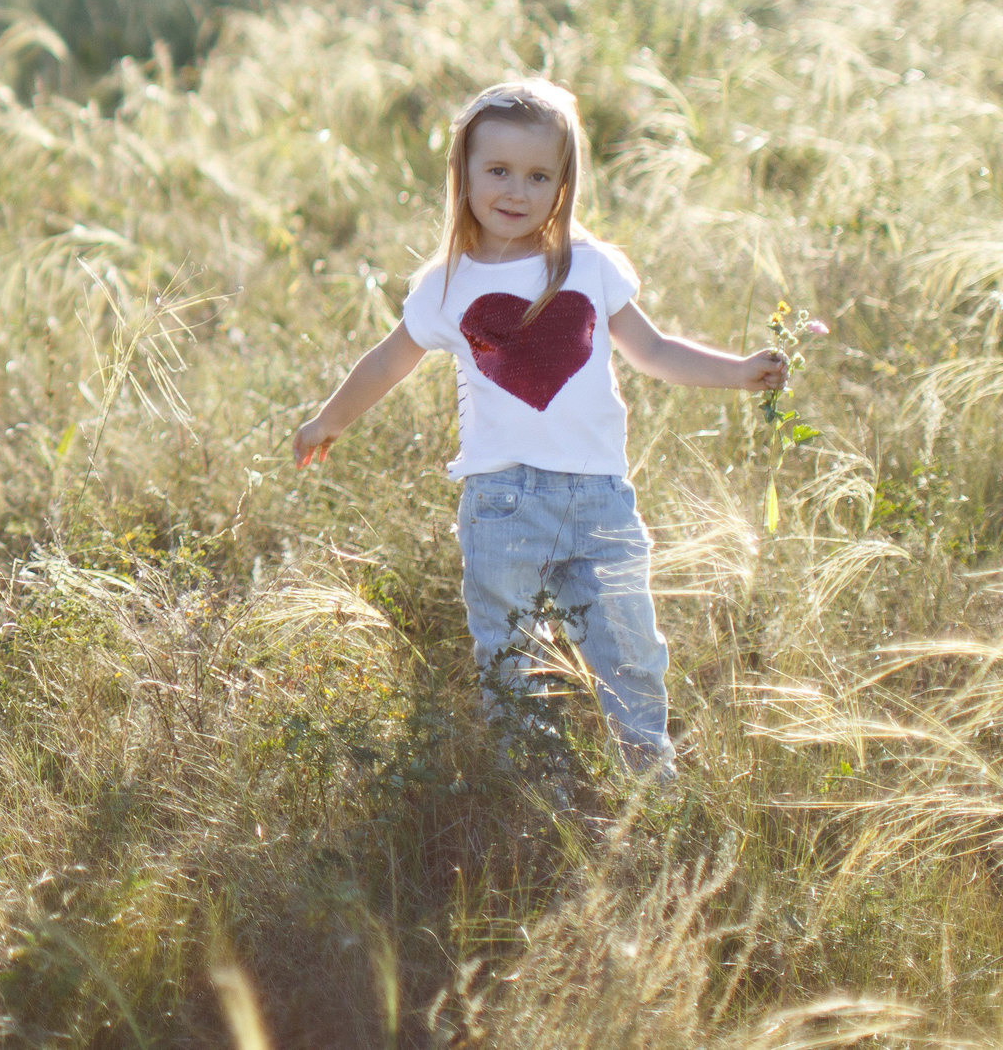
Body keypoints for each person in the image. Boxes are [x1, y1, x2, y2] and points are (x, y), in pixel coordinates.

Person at [292, 79, 787, 778]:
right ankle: (538, 794)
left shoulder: (588, 266)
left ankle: (652, 783)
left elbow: (656, 351)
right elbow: (387, 360)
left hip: (599, 500)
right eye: (497, 170)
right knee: (511, 656)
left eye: (537, 175)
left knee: (630, 650)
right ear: (462, 172)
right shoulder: (446, 282)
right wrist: (327, 419)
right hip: (502, 504)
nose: (515, 190)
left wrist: (738, 371)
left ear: (563, 184)